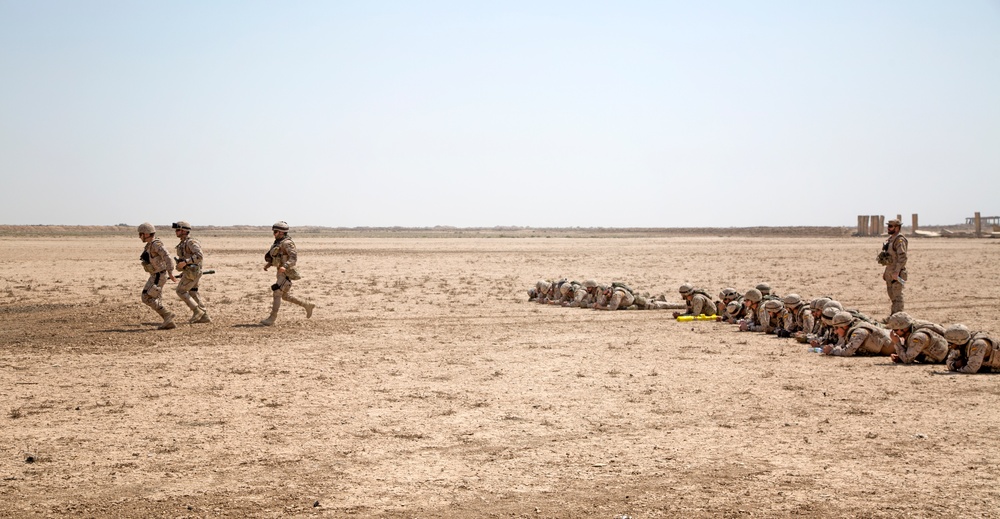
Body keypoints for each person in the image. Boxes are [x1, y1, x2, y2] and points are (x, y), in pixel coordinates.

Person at [260, 221, 315, 326]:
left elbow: (293, 258)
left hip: (286, 273)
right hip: (280, 272)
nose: (274, 234)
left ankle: (272, 318)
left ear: (281, 232)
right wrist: (269, 264)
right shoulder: (278, 243)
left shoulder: (287, 243)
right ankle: (307, 305)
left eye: (275, 231)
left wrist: (285, 267)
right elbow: (277, 256)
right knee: (285, 296)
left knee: (277, 292)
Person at [137, 222, 176, 330]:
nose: (139, 237)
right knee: (156, 298)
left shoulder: (156, 244)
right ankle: (168, 322)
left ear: (146, 234)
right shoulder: (149, 245)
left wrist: (171, 272)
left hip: (159, 276)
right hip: (155, 275)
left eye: (140, 234)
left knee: (146, 297)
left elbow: (167, 256)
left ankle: (167, 314)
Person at [172, 221, 210, 324]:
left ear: (184, 231)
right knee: (193, 292)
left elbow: (199, 255)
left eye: (178, 230)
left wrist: (185, 263)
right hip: (190, 272)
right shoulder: (183, 243)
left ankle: (197, 311)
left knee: (180, 291)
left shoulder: (190, 242)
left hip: (193, 272)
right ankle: (204, 316)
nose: (176, 232)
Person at [822, 311, 893, 357]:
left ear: (845, 326)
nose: (835, 331)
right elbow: (842, 345)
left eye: (836, 328)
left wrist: (832, 351)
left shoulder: (859, 332)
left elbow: (847, 352)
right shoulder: (849, 331)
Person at [879, 218, 908, 316]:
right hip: (890, 272)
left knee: (897, 297)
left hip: (897, 273)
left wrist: (897, 272)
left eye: (890, 226)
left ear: (897, 228)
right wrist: (886, 272)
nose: (888, 228)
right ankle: (893, 316)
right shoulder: (891, 239)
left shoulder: (899, 240)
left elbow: (902, 257)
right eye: (888, 226)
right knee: (892, 296)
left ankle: (898, 318)